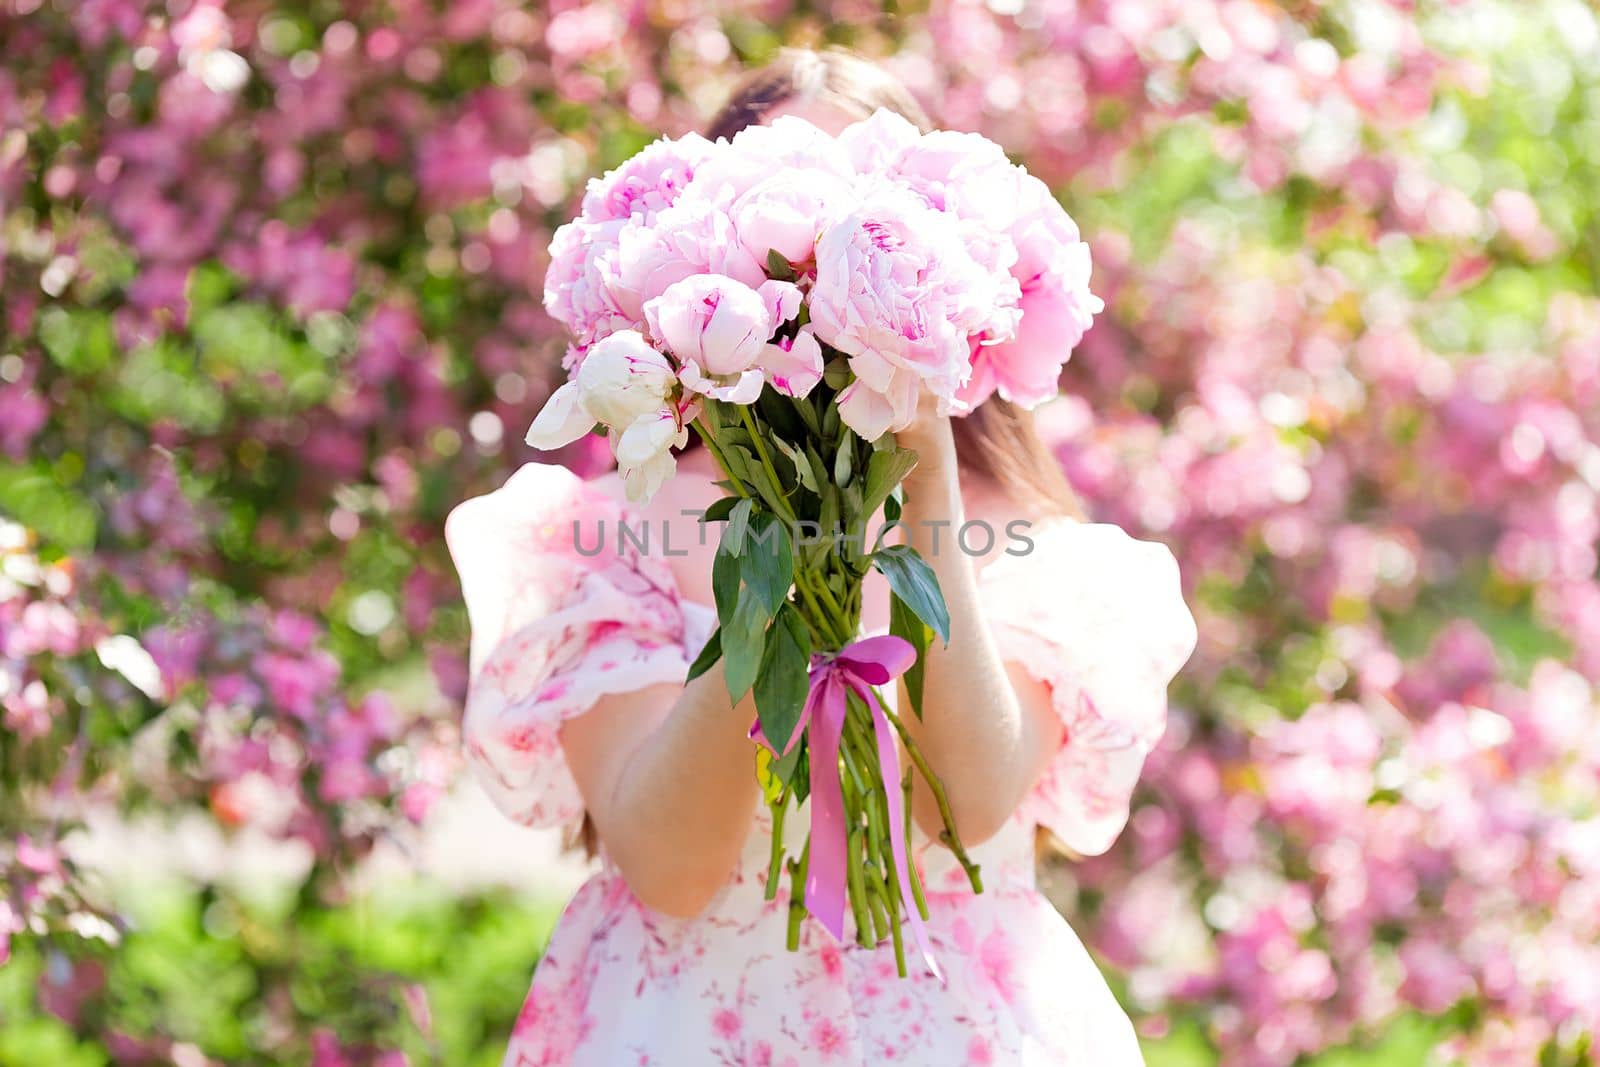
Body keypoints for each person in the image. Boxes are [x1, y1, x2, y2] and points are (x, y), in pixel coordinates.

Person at [447, 47, 1197, 1067]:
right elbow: (671, 863)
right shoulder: (602, 541)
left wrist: (920, 480)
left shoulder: (1035, 552)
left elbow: (960, 807)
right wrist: (776, 536)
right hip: (685, 1024)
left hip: (953, 1024)